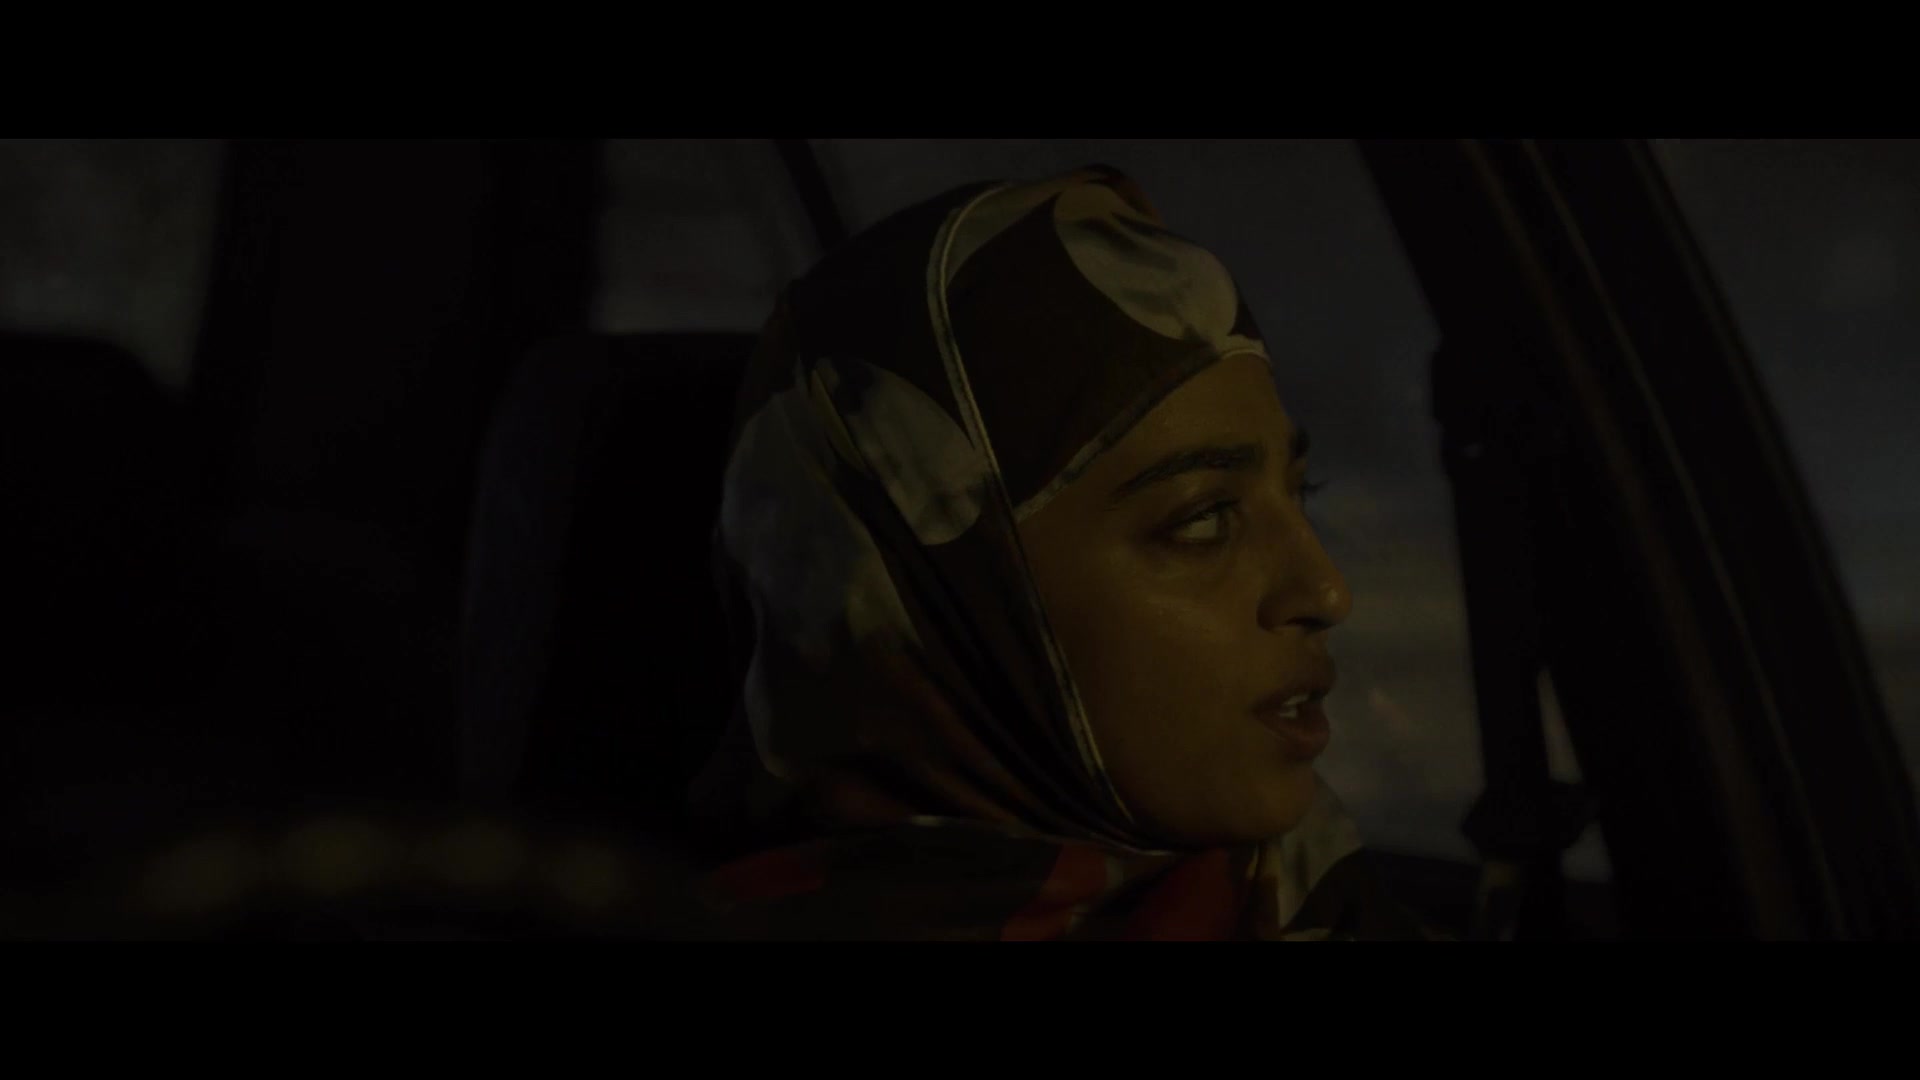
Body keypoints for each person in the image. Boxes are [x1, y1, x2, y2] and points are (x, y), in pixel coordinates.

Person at [679, 165, 1437, 940]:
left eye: (1301, 493)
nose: (1327, 591)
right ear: (943, 609)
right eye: (1204, 520)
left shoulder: (1307, 895)